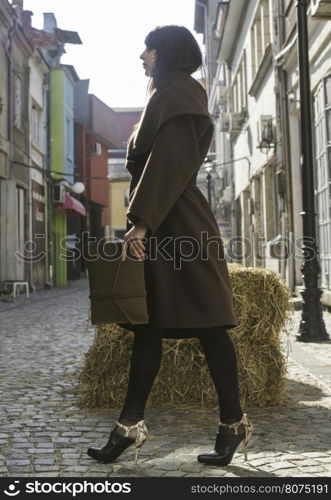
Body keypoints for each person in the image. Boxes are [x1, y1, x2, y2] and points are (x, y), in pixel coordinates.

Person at [87, 25, 253, 468]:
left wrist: (139, 225)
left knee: (210, 326)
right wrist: (144, 224)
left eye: (150, 50)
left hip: (178, 227)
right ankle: (129, 426)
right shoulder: (167, 95)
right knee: (150, 326)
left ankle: (231, 424)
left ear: (168, 53)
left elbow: (170, 163)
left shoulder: (180, 93)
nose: (142, 56)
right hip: (165, 222)